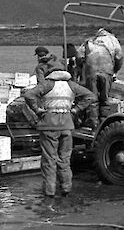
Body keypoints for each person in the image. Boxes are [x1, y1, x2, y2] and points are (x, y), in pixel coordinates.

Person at [23, 61, 94, 205]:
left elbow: (29, 95)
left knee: (49, 160)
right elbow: (90, 96)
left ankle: (49, 193)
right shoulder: (71, 85)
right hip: (67, 124)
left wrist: (37, 110)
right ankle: (66, 189)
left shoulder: (48, 84)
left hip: (49, 124)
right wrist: (76, 110)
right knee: (64, 159)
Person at [77, 28, 124, 128]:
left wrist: (81, 68)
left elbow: (79, 56)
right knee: (105, 99)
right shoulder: (113, 41)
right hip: (107, 71)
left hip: (91, 72)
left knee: (92, 99)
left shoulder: (89, 41)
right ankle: (103, 123)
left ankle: (93, 124)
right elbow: (119, 57)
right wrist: (115, 70)